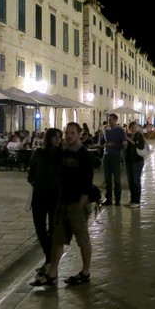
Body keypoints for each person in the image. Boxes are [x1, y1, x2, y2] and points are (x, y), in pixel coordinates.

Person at [47, 123, 94, 286]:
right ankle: (52, 273)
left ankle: (85, 272)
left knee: (83, 240)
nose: (69, 136)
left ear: (79, 135)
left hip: (77, 203)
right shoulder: (63, 151)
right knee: (57, 239)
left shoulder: (83, 154)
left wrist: (81, 204)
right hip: (63, 202)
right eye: (67, 133)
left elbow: (88, 181)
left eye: (72, 133)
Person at [27, 127, 62, 287]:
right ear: (49, 138)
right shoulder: (39, 153)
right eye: (55, 137)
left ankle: (50, 264)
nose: (58, 140)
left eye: (59, 137)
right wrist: (35, 181)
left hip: (54, 197)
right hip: (39, 196)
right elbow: (31, 172)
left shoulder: (60, 155)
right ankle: (49, 258)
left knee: (53, 230)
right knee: (40, 229)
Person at [99, 113, 126, 206]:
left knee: (117, 179)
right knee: (107, 179)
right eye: (108, 119)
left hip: (116, 156)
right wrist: (101, 136)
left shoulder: (120, 130)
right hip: (106, 156)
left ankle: (117, 199)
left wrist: (113, 145)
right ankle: (108, 198)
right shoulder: (106, 130)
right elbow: (101, 143)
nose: (109, 121)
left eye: (110, 119)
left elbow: (123, 145)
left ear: (115, 120)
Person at [124, 121, 146, 208]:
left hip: (137, 161)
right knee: (130, 181)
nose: (134, 129)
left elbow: (140, 146)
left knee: (136, 181)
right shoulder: (129, 136)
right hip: (129, 161)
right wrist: (125, 144)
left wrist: (129, 140)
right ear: (129, 128)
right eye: (132, 128)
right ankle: (132, 200)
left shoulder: (139, 135)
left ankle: (137, 201)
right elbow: (128, 148)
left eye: (135, 127)